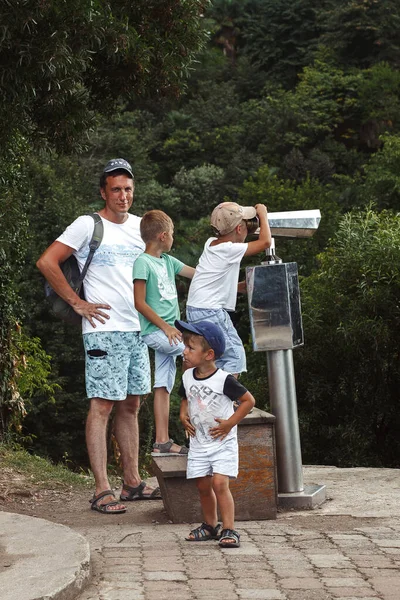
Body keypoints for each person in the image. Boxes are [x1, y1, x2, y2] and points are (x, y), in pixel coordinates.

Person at [36, 158, 160, 514]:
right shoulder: (87, 224)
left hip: (137, 329)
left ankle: (132, 482)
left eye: (128, 189)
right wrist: (77, 303)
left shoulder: (141, 228)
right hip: (104, 330)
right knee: (102, 405)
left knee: (133, 404)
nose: (123, 196)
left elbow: (159, 269)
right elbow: (48, 262)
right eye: (116, 189)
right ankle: (102, 489)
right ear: (104, 192)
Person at [176, 319, 255, 548]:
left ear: (209, 354)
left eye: (190, 348)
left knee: (220, 483)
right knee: (203, 485)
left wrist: (230, 423)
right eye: (185, 347)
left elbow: (248, 401)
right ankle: (210, 526)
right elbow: (185, 398)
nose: (185, 352)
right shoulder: (187, 376)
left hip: (222, 441)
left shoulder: (224, 379)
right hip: (199, 443)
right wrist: (183, 416)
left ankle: (229, 529)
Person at [133, 210, 195, 455]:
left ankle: (162, 442)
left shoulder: (169, 262)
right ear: (163, 236)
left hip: (171, 333)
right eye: (173, 235)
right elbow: (140, 303)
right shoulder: (142, 262)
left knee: (163, 385)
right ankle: (194, 409)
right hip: (158, 332)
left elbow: (196, 274)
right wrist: (166, 326)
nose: (173, 240)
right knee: (195, 355)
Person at [186, 201, 271, 377]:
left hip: (196, 309)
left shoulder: (211, 244)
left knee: (213, 357)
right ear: (239, 229)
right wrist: (262, 214)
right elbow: (265, 242)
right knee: (235, 356)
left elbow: (213, 281)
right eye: (247, 224)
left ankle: (210, 396)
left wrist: (240, 287)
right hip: (209, 310)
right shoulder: (229, 249)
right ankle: (228, 400)